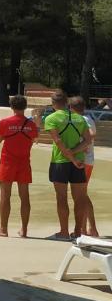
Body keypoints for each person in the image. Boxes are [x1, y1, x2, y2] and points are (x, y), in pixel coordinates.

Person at [43, 90, 93, 241]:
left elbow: (58, 141)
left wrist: (69, 156)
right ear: (66, 103)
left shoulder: (51, 118)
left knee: (61, 197)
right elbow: (87, 140)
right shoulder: (79, 118)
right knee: (80, 198)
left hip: (60, 162)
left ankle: (64, 232)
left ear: (53, 104)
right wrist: (74, 154)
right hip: (78, 163)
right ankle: (78, 232)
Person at [0, 94, 37, 238]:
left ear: (11, 107)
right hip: (24, 162)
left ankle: (3, 229)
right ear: (25, 107)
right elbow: (34, 140)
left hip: (7, 162)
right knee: (25, 197)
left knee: (5, 196)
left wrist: (6, 136)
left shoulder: (5, 122)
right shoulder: (31, 125)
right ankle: (24, 230)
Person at [70, 96, 99, 237]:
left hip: (84, 161)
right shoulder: (85, 119)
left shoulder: (84, 120)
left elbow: (92, 134)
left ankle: (89, 228)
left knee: (81, 195)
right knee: (82, 195)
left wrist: (82, 146)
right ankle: (86, 228)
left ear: (71, 108)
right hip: (87, 160)